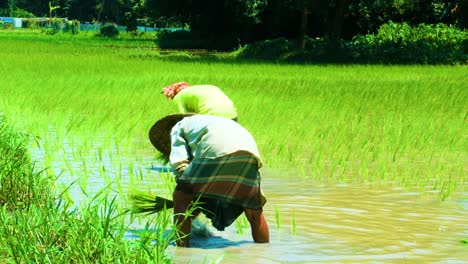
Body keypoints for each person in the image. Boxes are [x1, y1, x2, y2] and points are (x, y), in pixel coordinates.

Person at [149, 114, 269, 247]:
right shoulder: (215, 123)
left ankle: (182, 250)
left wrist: (184, 187)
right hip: (249, 154)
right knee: (253, 209)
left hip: (215, 147)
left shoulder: (178, 127)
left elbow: (180, 162)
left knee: (181, 197)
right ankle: (263, 250)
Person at [161, 82, 238, 121]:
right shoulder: (206, 87)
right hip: (232, 114)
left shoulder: (178, 97)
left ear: (174, 93)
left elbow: (183, 119)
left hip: (212, 116)